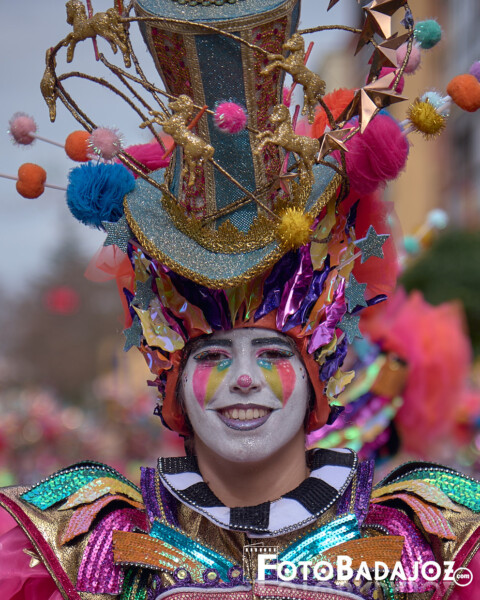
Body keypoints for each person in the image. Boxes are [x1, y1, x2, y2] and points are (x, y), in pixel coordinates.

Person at [1, 0, 480, 598]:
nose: (246, 378)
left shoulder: (420, 544)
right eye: (213, 356)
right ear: (172, 377)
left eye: (274, 353)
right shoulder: (86, 548)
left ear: (320, 368)